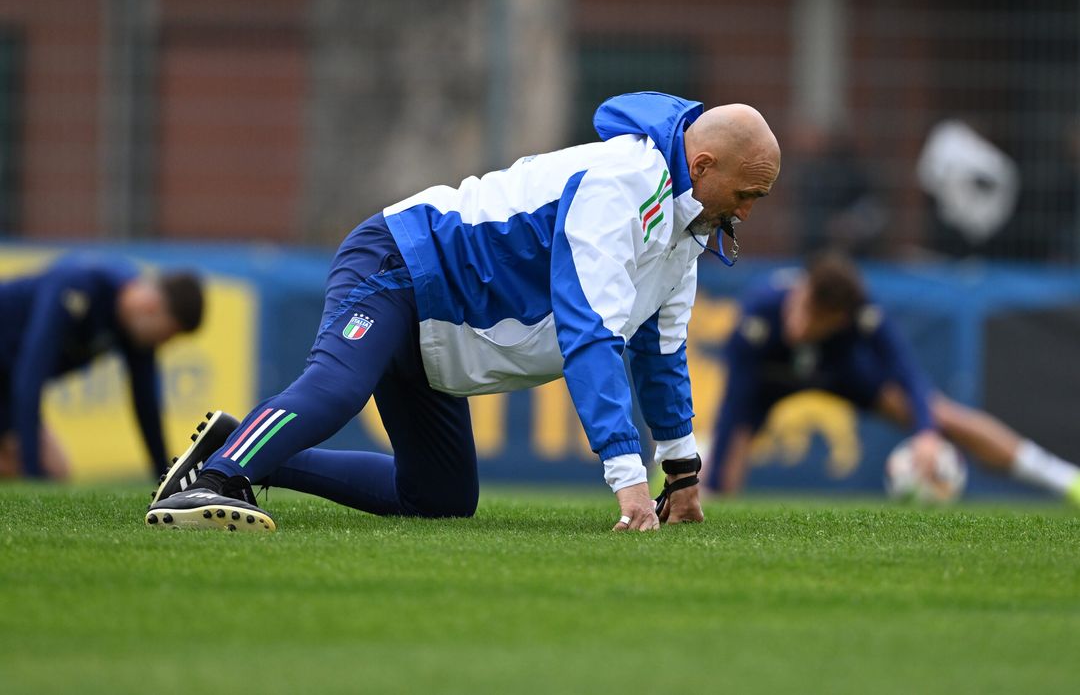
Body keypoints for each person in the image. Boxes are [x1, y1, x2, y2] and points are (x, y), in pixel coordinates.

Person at [145, 91, 782, 533]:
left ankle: (236, 442)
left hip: (441, 324)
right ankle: (218, 479)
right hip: (399, 264)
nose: (748, 211)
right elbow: (590, 336)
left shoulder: (688, 226)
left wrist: (681, 473)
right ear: (701, 166)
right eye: (746, 192)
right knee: (337, 386)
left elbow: (660, 353)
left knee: (442, 499)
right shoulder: (621, 183)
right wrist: (628, 482)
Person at [705, 253, 1080, 504]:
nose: (801, 323)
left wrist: (927, 433)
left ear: (838, 318)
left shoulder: (861, 310)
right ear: (801, 290)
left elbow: (905, 370)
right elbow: (736, 399)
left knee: (940, 415)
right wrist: (720, 481)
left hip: (843, 374)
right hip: (769, 382)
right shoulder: (759, 310)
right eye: (802, 307)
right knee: (725, 465)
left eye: (816, 317)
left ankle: (1065, 480)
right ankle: (694, 477)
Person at [0, 254, 204, 479]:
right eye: (167, 335)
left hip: (7, 384)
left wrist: (165, 477)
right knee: (30, 466)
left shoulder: (134, 329)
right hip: (13, 378)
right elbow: (31, 376)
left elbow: (146, 403)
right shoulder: (78, 285)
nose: (163, 344)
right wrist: (32, 473)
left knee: (55, 470)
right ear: (151, 307)